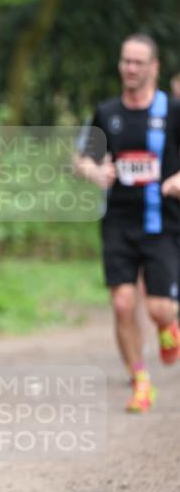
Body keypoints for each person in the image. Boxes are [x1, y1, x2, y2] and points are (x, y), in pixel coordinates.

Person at [75, 33, 180, 413]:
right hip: (118, 221)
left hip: (162, 224)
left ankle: (170, 326)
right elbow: (83, 158)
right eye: (125, 61)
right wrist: (95, 171)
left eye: (138, 62)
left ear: (154, 68)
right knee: (122, 304)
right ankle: (140, 381)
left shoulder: (173, 111)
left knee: (158, 308)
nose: (130, 69)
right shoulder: (107, 112)